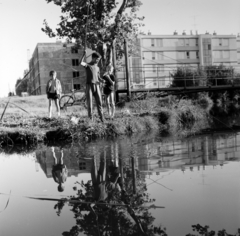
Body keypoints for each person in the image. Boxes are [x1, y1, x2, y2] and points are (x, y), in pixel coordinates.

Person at [80, 50, 105, 122]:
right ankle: (91, 119)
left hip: (97, 86)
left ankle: (102, 118)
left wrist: (102, 80)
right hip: (89, 86)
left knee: (99, 102)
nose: (98, 61)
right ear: (93, 58)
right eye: (97, 59)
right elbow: (81, 63)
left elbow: (98, 77)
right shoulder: (88, 65)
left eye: (99, 60)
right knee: (90, 103)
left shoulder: (97, 67)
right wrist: (83, 54)